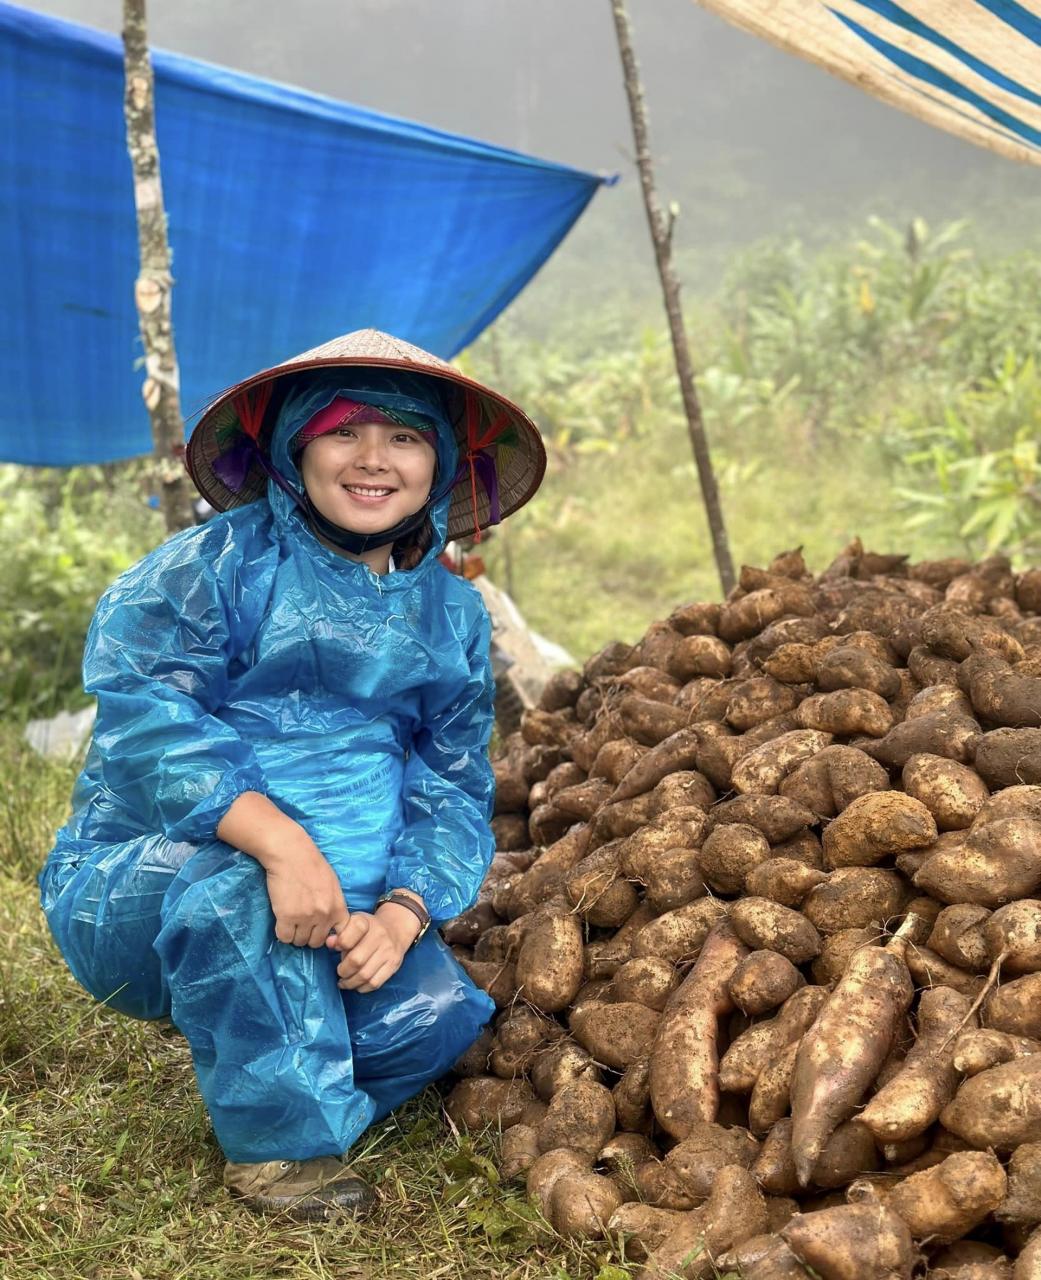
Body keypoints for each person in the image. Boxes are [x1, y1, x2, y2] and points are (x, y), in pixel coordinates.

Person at [38, 329, 546, 1219]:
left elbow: (451, 784)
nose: (373, 461)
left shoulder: (454, 615)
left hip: (345, 907)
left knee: (439, 1019)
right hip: (160, 872)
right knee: (236, 903)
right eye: (344, 431)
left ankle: (253, 1025)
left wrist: (402, 911)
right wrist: (278, 846)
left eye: (405, 437)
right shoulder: (217, 568)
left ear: (439, 461)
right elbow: (146, 718)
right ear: (293, 447)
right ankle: (282, 1155)